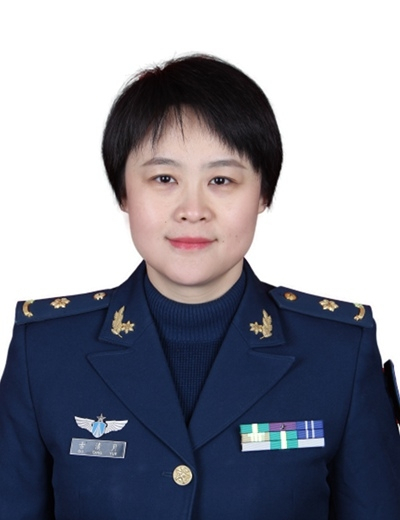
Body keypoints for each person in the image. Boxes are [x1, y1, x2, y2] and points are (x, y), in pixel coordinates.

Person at [0, 54, 399, 519]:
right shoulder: (45, 353)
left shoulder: (338, 354)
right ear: (124, 192)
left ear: (263, 193)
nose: (193, 210)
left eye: (222, 180)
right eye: (164, 178)